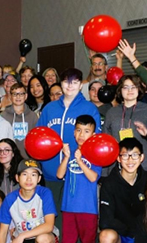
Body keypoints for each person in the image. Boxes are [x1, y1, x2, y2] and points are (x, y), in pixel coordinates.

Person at [36, 68, 101, 230]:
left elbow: (95, 142)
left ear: (81, 85)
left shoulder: (90, 109)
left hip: (78, 174)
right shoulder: (49, 109)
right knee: (54, 219)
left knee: (77, 220)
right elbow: (38, 138)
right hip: (52, 172)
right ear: (61, 83)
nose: (70, 86)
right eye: (66, 81)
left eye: (75, 82)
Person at [97, 138, 147, 243]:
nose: (130, 160)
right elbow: (105, 221)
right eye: (125, 155)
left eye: (134, 155)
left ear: (141, 158)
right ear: (118, 158)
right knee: (105, 237)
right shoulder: (109, 183)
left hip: (140, 236)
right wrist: (129, 231)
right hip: (121, 235)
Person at [56, 114, 101, 243]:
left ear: (93, 134)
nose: (81, 135)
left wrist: (80, 160)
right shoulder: (70, 152)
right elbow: (60, 174)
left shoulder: (95, 153)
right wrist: (67, 157)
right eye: (78, 130)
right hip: (69, 207)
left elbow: (93, 177)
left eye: (86, 131)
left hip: (88, 208)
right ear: (74, 132)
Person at [0, 160, 57, 243]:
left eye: (33, 175)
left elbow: (49, 226)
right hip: (22, 240)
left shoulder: (45, 194)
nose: (29, 179)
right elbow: (2, 232)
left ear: (39, 179)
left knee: (43, 241)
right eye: (24, 174)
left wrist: (22, 236)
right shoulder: (10, 199)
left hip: (43, 235)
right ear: (17, 178)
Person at [104, 75, 147, 175]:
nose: (129, 90)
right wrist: (104, 173)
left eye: (133, 87)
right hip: (117, 165)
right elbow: (105, 143)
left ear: (139, 89)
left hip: (143, 165)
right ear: (120, 90)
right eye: (125, 87)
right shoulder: (112, 112)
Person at [1, 83, 39, 159]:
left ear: (26, 96)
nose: (18, 97)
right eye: (15, 94)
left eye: (21, 94)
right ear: (10, 97)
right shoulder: (3, 116)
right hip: (8, 159)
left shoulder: (33, 116)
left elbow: (36, 139)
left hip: (28, 158)